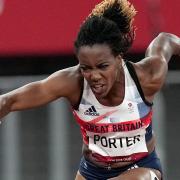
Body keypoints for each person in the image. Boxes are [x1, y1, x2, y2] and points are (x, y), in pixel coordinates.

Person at [0, 0, 179, 179]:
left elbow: (166, 40)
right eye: (86, 68)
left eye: (102, 66)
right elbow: (8, 101)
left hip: (141, 167)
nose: (94, 76)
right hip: (92, 172)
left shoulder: (147, 77)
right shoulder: (72, 82)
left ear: (119, 58)